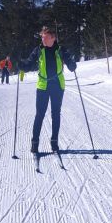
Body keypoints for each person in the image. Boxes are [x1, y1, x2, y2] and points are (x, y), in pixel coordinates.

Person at [19, 26, 77, 154]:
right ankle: (35, 143)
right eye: (41, 37)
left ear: (52, 37)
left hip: (57, 85)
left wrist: (72, 65)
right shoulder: (38, 50)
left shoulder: (61, 49)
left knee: (56, 114)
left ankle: (54, 142)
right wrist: (21, 65)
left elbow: (69, 61)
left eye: (44, 37)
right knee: (39, 114)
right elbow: (29, 64)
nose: (42, 39)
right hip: (43, 86)